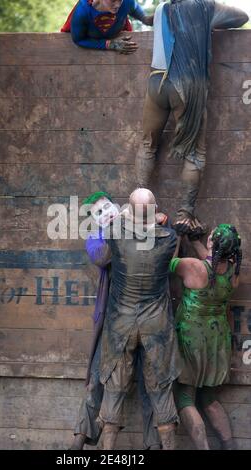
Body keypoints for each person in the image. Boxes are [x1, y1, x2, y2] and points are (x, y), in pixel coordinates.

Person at [72, 190, 171, 450]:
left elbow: (163, 234)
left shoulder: (140, 226)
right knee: (96, 378)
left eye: (108, 208)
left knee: (151, 385)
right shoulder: (97, 238)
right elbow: (103, 257)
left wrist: (154, 219)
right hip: (113, 324)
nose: (106, 214)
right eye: (99, 214)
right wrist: (121, 224)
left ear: (119, 206)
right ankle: (79, 440)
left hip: (148, 320)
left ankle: (153, 444)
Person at [135, 0, 249, 227]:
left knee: (147, 144)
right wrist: (208, 23)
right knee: (195, 154)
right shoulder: (205, 7)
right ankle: (184, 214)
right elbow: (241, 17)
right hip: (187, 87)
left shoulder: (161, 9)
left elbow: (148, 21)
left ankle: (137, 206)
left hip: (157, 81)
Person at [170, 222, 242, 449]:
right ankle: (230, 445)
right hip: (217, 339)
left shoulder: (193, 267)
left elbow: (167, 262)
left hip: (192, 338)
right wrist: (196, 240)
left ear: (213, 244)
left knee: (185, 398)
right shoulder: (232, 271)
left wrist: (179, 236)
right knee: (209, 398)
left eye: (209, 238)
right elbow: (213, 261)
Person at [61, 0, 153, 53]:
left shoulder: (127, 2)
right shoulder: (82, 11)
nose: (117, 5)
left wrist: (149, 19)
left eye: (119, 0)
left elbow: (142, 16)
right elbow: (79, 39)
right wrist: (111, 44)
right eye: (113, 0)